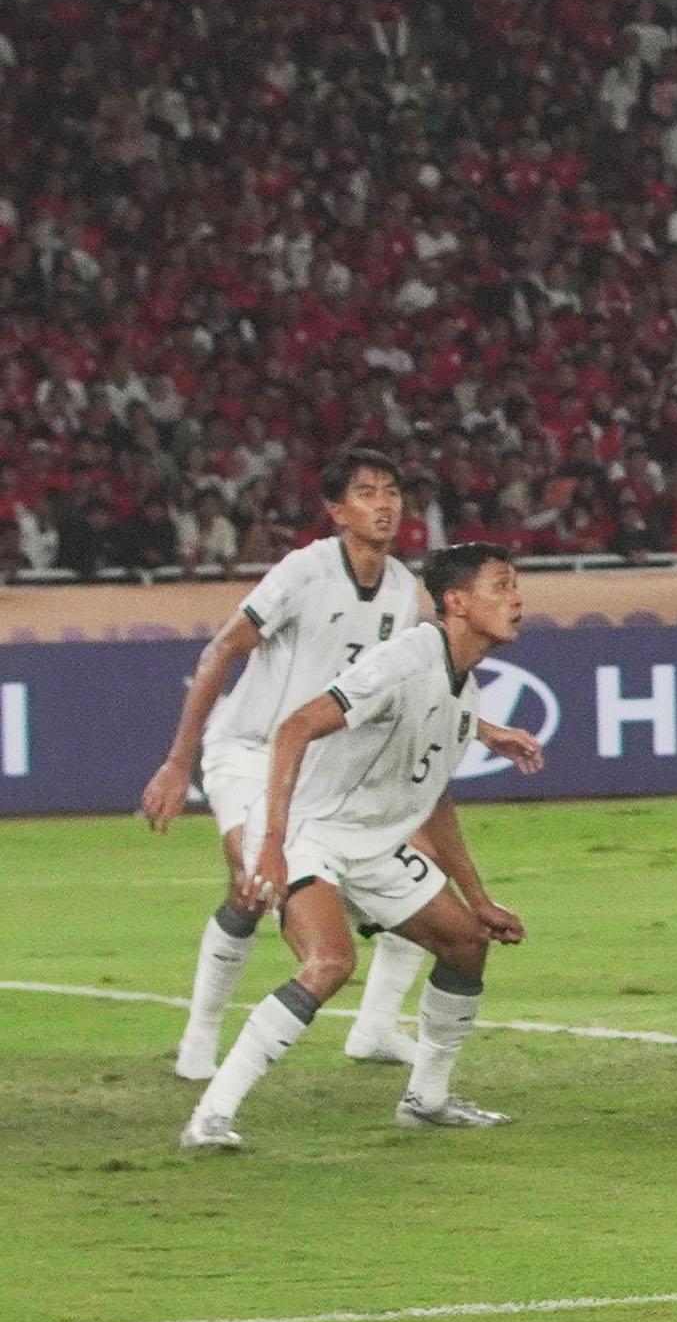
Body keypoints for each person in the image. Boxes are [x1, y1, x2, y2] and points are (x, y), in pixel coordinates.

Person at [179, 543, 547, 1149]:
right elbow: (296, 727)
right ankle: (211, 1115)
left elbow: (433, 798)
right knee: (329, 962)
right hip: (310, 832)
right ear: (456, 602)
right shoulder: (406, 658)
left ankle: (426, 1099)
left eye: (516, 585)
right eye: (502, 585)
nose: (517, 598)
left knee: (465, 945)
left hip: (374, 846)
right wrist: (270, 842)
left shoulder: (466, 687)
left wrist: (477, 897)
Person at [141, 450, 433, 1083]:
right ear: (336, 511)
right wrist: (175, 762)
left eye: (392, 491)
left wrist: (487, 730)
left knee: (418, 885)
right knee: (255, 886)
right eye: (366, 492)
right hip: (249, 751)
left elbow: (426, 679)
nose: (384, 503)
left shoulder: (408, 591)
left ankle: (376, 1026)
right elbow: (221, 651)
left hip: (327, 765)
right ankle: (202, 1032)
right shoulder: (304, 572)